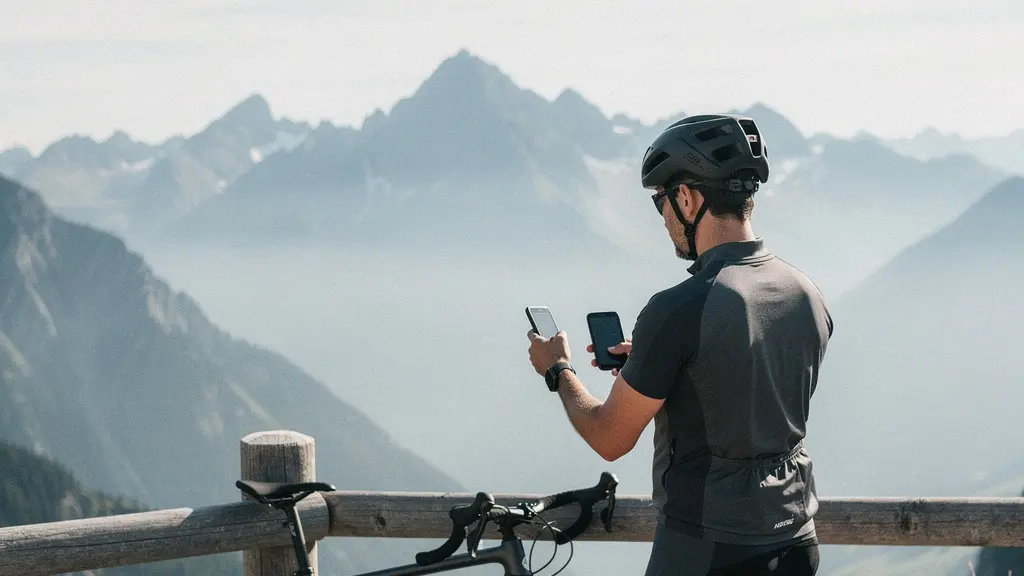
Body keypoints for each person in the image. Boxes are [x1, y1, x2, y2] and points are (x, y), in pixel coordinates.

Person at [526, 114, 833, 575]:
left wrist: (558, 370)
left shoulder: (681, 308)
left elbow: (609, 437)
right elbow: (749, 389)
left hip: (707, 550)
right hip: (796, 542)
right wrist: (664, 365)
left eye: (661, 203)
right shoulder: (805, 292)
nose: (664, 217)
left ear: (687, 199)